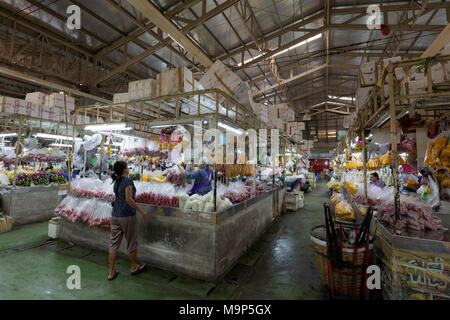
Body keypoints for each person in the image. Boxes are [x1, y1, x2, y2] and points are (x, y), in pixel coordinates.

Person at [108, 161, 148, 281]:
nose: (128, 168)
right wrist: (142, 211)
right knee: (131, 241)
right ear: (124, 170)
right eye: (127, 167)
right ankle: (134, 266)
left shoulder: (116, 181)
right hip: (127, 216)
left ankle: (111, 272)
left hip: (115, 215)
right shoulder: (128, 181)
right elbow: (129, 199)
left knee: (114, 244)